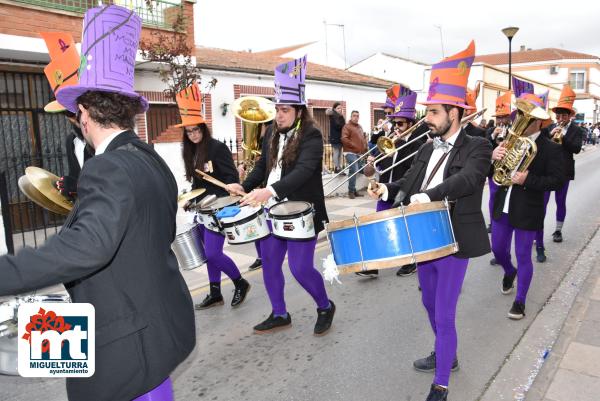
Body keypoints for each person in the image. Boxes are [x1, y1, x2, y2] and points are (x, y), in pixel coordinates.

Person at [0, 6, 195, 400]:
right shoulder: (150, 158)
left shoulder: (107, 167)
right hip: (156, 333)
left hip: (127, 348)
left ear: (85, 113)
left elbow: (87, 248)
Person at [368, 41, 491, 401]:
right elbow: (407, 186)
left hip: (454, 240)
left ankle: (441, 383)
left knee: (445, 311)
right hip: (423, 239)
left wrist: (431, 193)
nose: (427, 119)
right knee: (428, 303)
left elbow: (468, 180)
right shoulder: (425, 146)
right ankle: (445, 354)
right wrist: (385, 190)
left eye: (434, 113)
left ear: (454, 113)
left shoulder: (478, 146)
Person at [226, 55, 335, 336]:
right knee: (270, 265)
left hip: (301, 212)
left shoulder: (311, 135)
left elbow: (303, 170)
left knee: (300, 269)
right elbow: (264, 165)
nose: (279, 115)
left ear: (299, 110)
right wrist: (246, 186)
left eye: (285, 110)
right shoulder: (272, 132)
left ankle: (324, 306)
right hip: (271, 211)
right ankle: (279, 313)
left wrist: (269, 191)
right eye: (277, 110)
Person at [490, 93, 566, 320]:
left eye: (523, 117)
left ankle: (520, 300)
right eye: (518, 116)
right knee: (498, 250)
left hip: (527, 207)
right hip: (503, 205)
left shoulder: (551, 148)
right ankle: (509, 271)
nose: (517, 121)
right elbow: (492, 173)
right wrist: (493, 156)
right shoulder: (509, 142)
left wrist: (527, 180)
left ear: (537, 121)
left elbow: (557, 180)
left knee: (523, 254)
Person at [176, 83, 251, 309]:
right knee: (208, 255)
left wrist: (230, 188)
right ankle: (215, 292)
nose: (193, 134)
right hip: (203, 209)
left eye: (196, 130)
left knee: (213, 253)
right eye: (188, 132)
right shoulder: (190, 151)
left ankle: (240, 282)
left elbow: (229, 178)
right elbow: (199, 184)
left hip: (219, 208)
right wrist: (192, 200)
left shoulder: (217, 148)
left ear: (203, 128)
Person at [357, 86, 426, 278]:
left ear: (411, 124)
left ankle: (412, 261)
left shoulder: (419, 145)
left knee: (405, 230)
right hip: (384, 191)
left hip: (405, 192)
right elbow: (371, 171)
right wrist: (370, 165)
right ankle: (372, 265)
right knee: (377, 227)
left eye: (401, 124)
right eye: (394, 123)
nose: (396, 128)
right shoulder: (389, 141)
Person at [533, 85, 584, 261]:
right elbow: (539, 144)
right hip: (547, 171)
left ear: (570, 115)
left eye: (564, 115)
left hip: (564, 172)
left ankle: (558, 230)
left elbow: (576, 149)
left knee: (560, 201)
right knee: (542, 203)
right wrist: (550, 136)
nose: (561, 118)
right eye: (558, 114)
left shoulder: (577, 130)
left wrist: (563, 138)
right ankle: (537, 233)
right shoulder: (549, 127)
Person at [487, 91, 513, 262]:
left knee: (505, 214)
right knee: (493, 201)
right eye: (499, 117)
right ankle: (494, 227)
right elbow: (482, 150)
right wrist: (492, 137)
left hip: (507, 174)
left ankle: (504, 251)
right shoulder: (490, 131)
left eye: (504, 117)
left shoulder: (515, 131)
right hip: (492, 173)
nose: (501, 121)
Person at [342, 110, 368, 199]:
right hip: (350, 152)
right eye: (354, 116)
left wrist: (365, 146)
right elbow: (344, 139)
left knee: (361, 169)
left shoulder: (360, 127)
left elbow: (363, 138)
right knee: (354, 169)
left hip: (359, 153)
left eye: (357, 116)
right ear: (351, 116)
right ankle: (351, 191)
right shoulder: (347, 126)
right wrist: (354, 146)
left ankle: (353, 189)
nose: (356, 117)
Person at [326, 101, 345, 173]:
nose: (340, 109)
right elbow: (337, 126)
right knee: (336, 152)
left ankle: (338, 167)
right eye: (338, 108)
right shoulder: (333, 116)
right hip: (335, 138)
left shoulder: (340, 116)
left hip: (340, 138)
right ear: (334, 109)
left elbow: (343, 125)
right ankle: (337, 168)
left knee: (339, 153)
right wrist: (342, 124)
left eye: (341, 108)